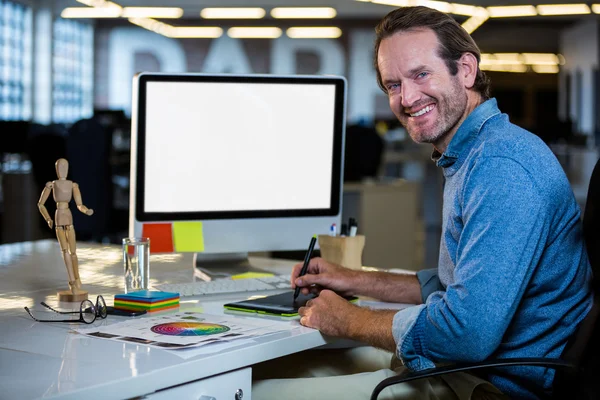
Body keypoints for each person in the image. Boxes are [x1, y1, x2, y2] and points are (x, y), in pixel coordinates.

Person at [252, 5, 593, 400]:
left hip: (488, 383)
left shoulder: (502, 166)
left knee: (254, 393)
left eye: (420, 74)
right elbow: (455, 284)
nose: (407, 98)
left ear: (465, 70)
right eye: (393, 84)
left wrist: (349, 319)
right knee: (264, 375)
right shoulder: (474, 153)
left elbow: (468, 333)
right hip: (464, 367)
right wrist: (352, 278)